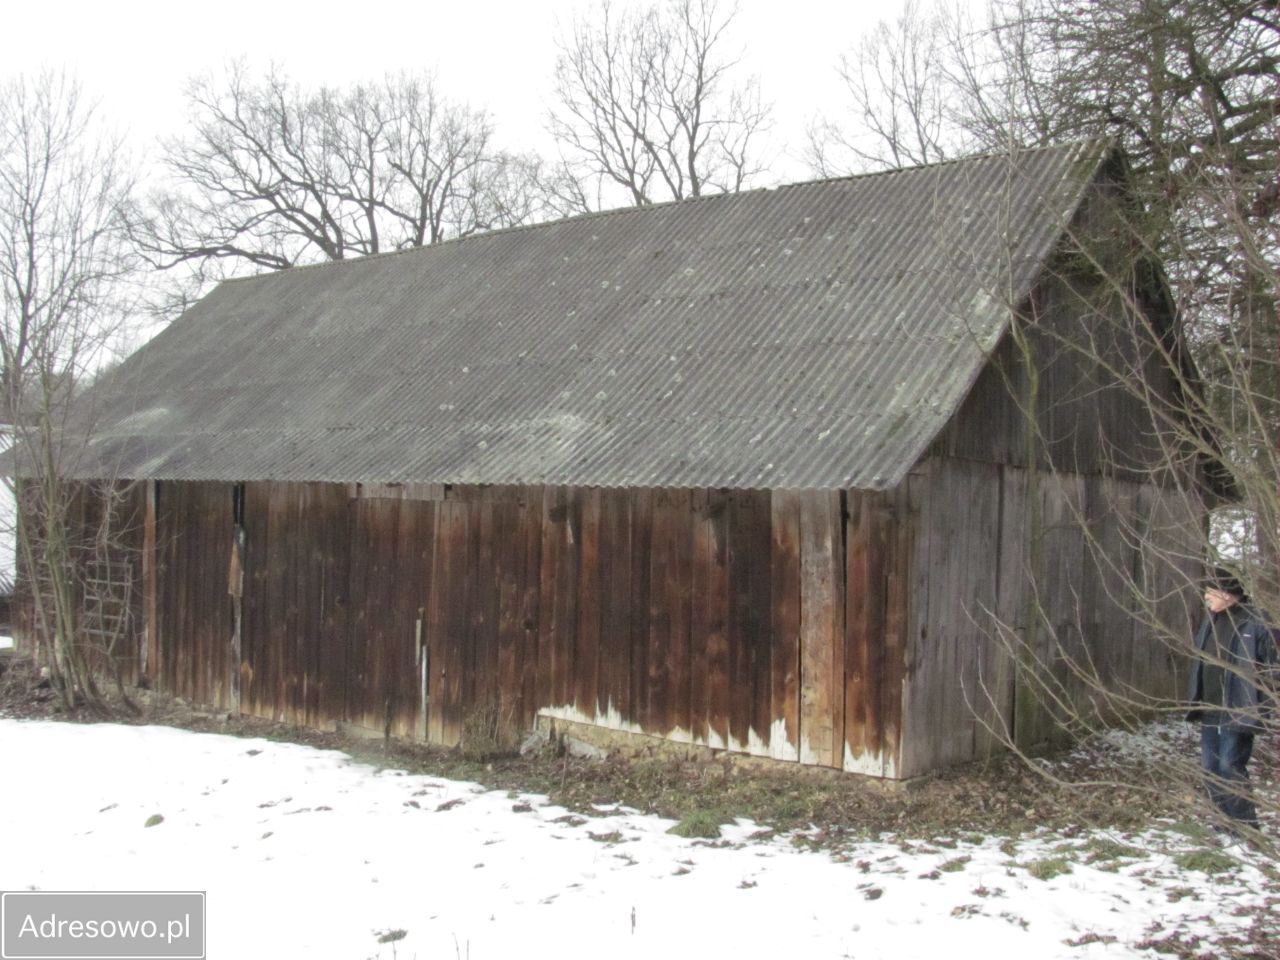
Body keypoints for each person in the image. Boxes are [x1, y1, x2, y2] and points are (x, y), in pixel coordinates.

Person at [1186, 569, 1277, 835]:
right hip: (1210, 707)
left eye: (1210, 592)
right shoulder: (1210, 621)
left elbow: (1272, 666)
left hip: (1239, 708)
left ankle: (1244, 828)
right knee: (1210, 767)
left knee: (1230, 765)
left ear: (1227, 593)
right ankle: (1221, 823)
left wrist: (1263, 702)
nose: (1206, 597)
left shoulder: (1256, 621)